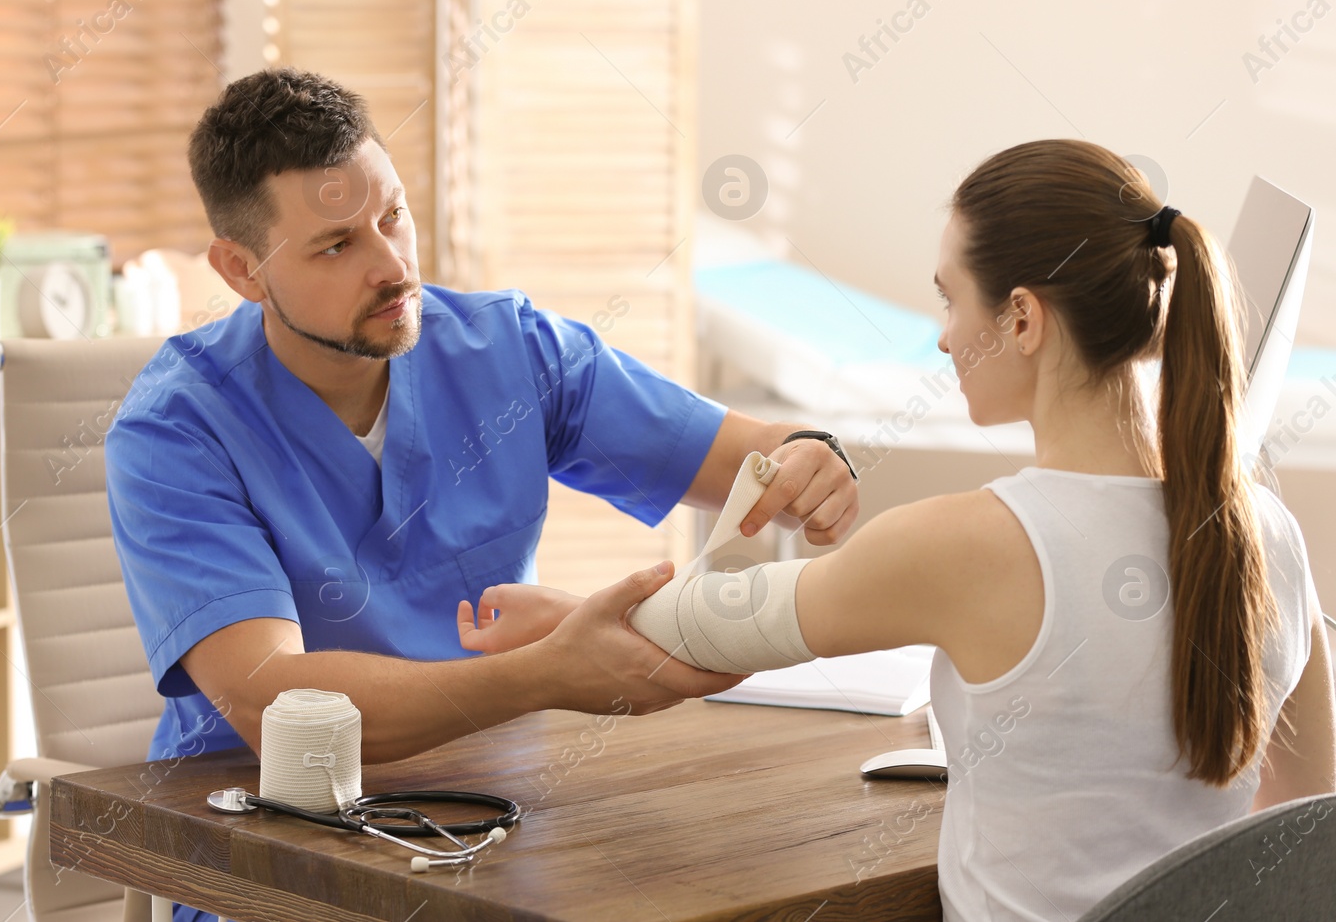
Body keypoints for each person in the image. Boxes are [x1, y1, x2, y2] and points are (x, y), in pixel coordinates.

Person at [462, 139, 1336, 922]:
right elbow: (1310, 818)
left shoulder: (971, 544)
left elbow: (703, 627)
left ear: (1024, 319)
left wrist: (563, 624)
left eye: (950, 302)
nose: (946, 339)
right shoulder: (1269, 535)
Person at [104, 68, 860, 921]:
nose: (392, 265)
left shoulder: (509, 350)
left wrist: (806, 454)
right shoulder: (175, 431)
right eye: (336, 245)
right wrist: (545, 675)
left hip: (489, 822)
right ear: (242, 270)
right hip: (270, 857)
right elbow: (276, 701)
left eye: (393, 215)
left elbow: (744, 456)